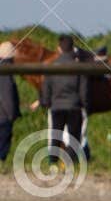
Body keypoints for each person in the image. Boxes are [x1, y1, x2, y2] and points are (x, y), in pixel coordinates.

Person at [34, 34, 88, 168]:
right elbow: (84, 90)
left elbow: (46, 89)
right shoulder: (79, 68)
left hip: (56, 107)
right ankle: (69, 162)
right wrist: (86, 105)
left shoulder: (51, 67)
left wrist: (46, 103)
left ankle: (52, 163)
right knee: (74, 138)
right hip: (74, 106)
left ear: (59, 48)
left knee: (55, 136)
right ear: (72, 48)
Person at [0, 41, 18, 162]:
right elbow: (7, 95)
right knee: (2, 146)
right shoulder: (6, 72)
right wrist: (12, 115)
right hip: (3, 116)